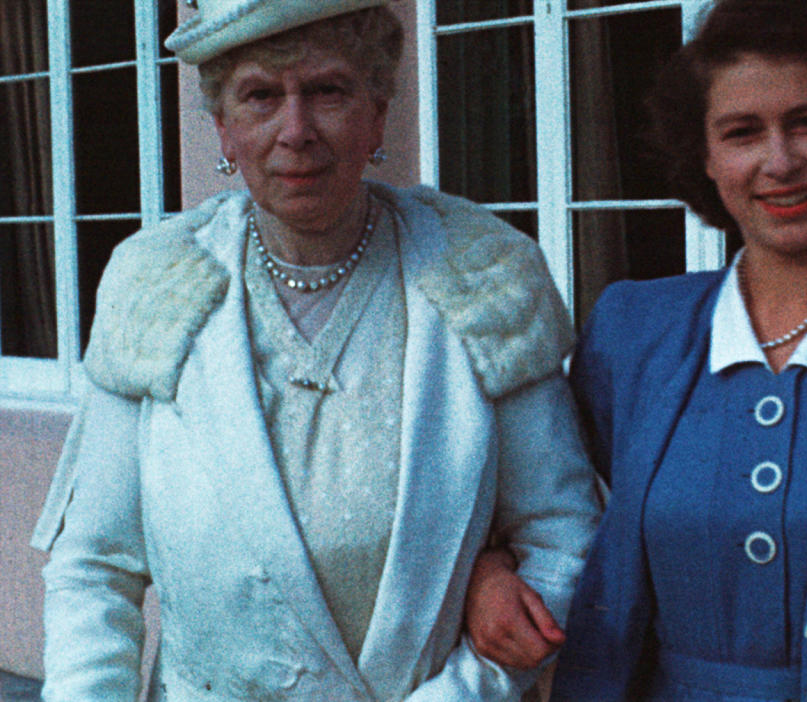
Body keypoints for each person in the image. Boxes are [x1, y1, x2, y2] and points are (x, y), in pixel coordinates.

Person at [30, 1, 600, 700]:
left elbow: (563, 537)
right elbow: (93, 566)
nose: (295, 131)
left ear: (377, 113)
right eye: (262, 96)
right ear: (224, 129)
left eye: (327, 90)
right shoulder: (157, 283)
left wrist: (467, 688)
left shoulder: (481, 274)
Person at [468, 0, 807, 699]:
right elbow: (525, 502)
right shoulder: (633, 334)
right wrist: (488, 574)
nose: (780, 161)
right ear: (704, 155)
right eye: (742, 132)